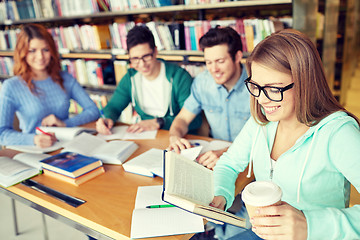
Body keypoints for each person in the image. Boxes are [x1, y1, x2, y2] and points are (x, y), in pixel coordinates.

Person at [211, 29, 360, 240]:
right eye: (256, 86)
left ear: (304, 82)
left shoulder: (339, 133)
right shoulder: (260, 121)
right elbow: (228, 163)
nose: (262, 100)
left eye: (273, 88)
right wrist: (221, 194)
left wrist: (310, 225)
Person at [0, 24, 99, 147]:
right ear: (23, 53)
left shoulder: (65, 78)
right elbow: (2, 133)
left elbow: (93, 111)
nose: (40, 56)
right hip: (33, 150)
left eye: (45, 50)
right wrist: (34, 140)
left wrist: (65, 124)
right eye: (32, 51)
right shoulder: (11, 86)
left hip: (66, 145)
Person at [168, 27, 250, 170]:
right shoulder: (202, 83)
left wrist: (227, 153)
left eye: (220, 61)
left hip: (250, 161)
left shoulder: (258, 84)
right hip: (214, 159)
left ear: (237, 57)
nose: (214, 69)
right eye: (209, 62)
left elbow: (269, 137)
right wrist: (175, 136)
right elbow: (182, 119)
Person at [96, 25, 201, 135]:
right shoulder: (131, 78)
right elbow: (114, 106)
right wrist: (107, 118)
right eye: (135, 59)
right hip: (146, 136)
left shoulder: (179, 77)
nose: (142, 64)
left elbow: (195, 120)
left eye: (146, 56)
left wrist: (160, 122)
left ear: (155, 51)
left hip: (178, 136)